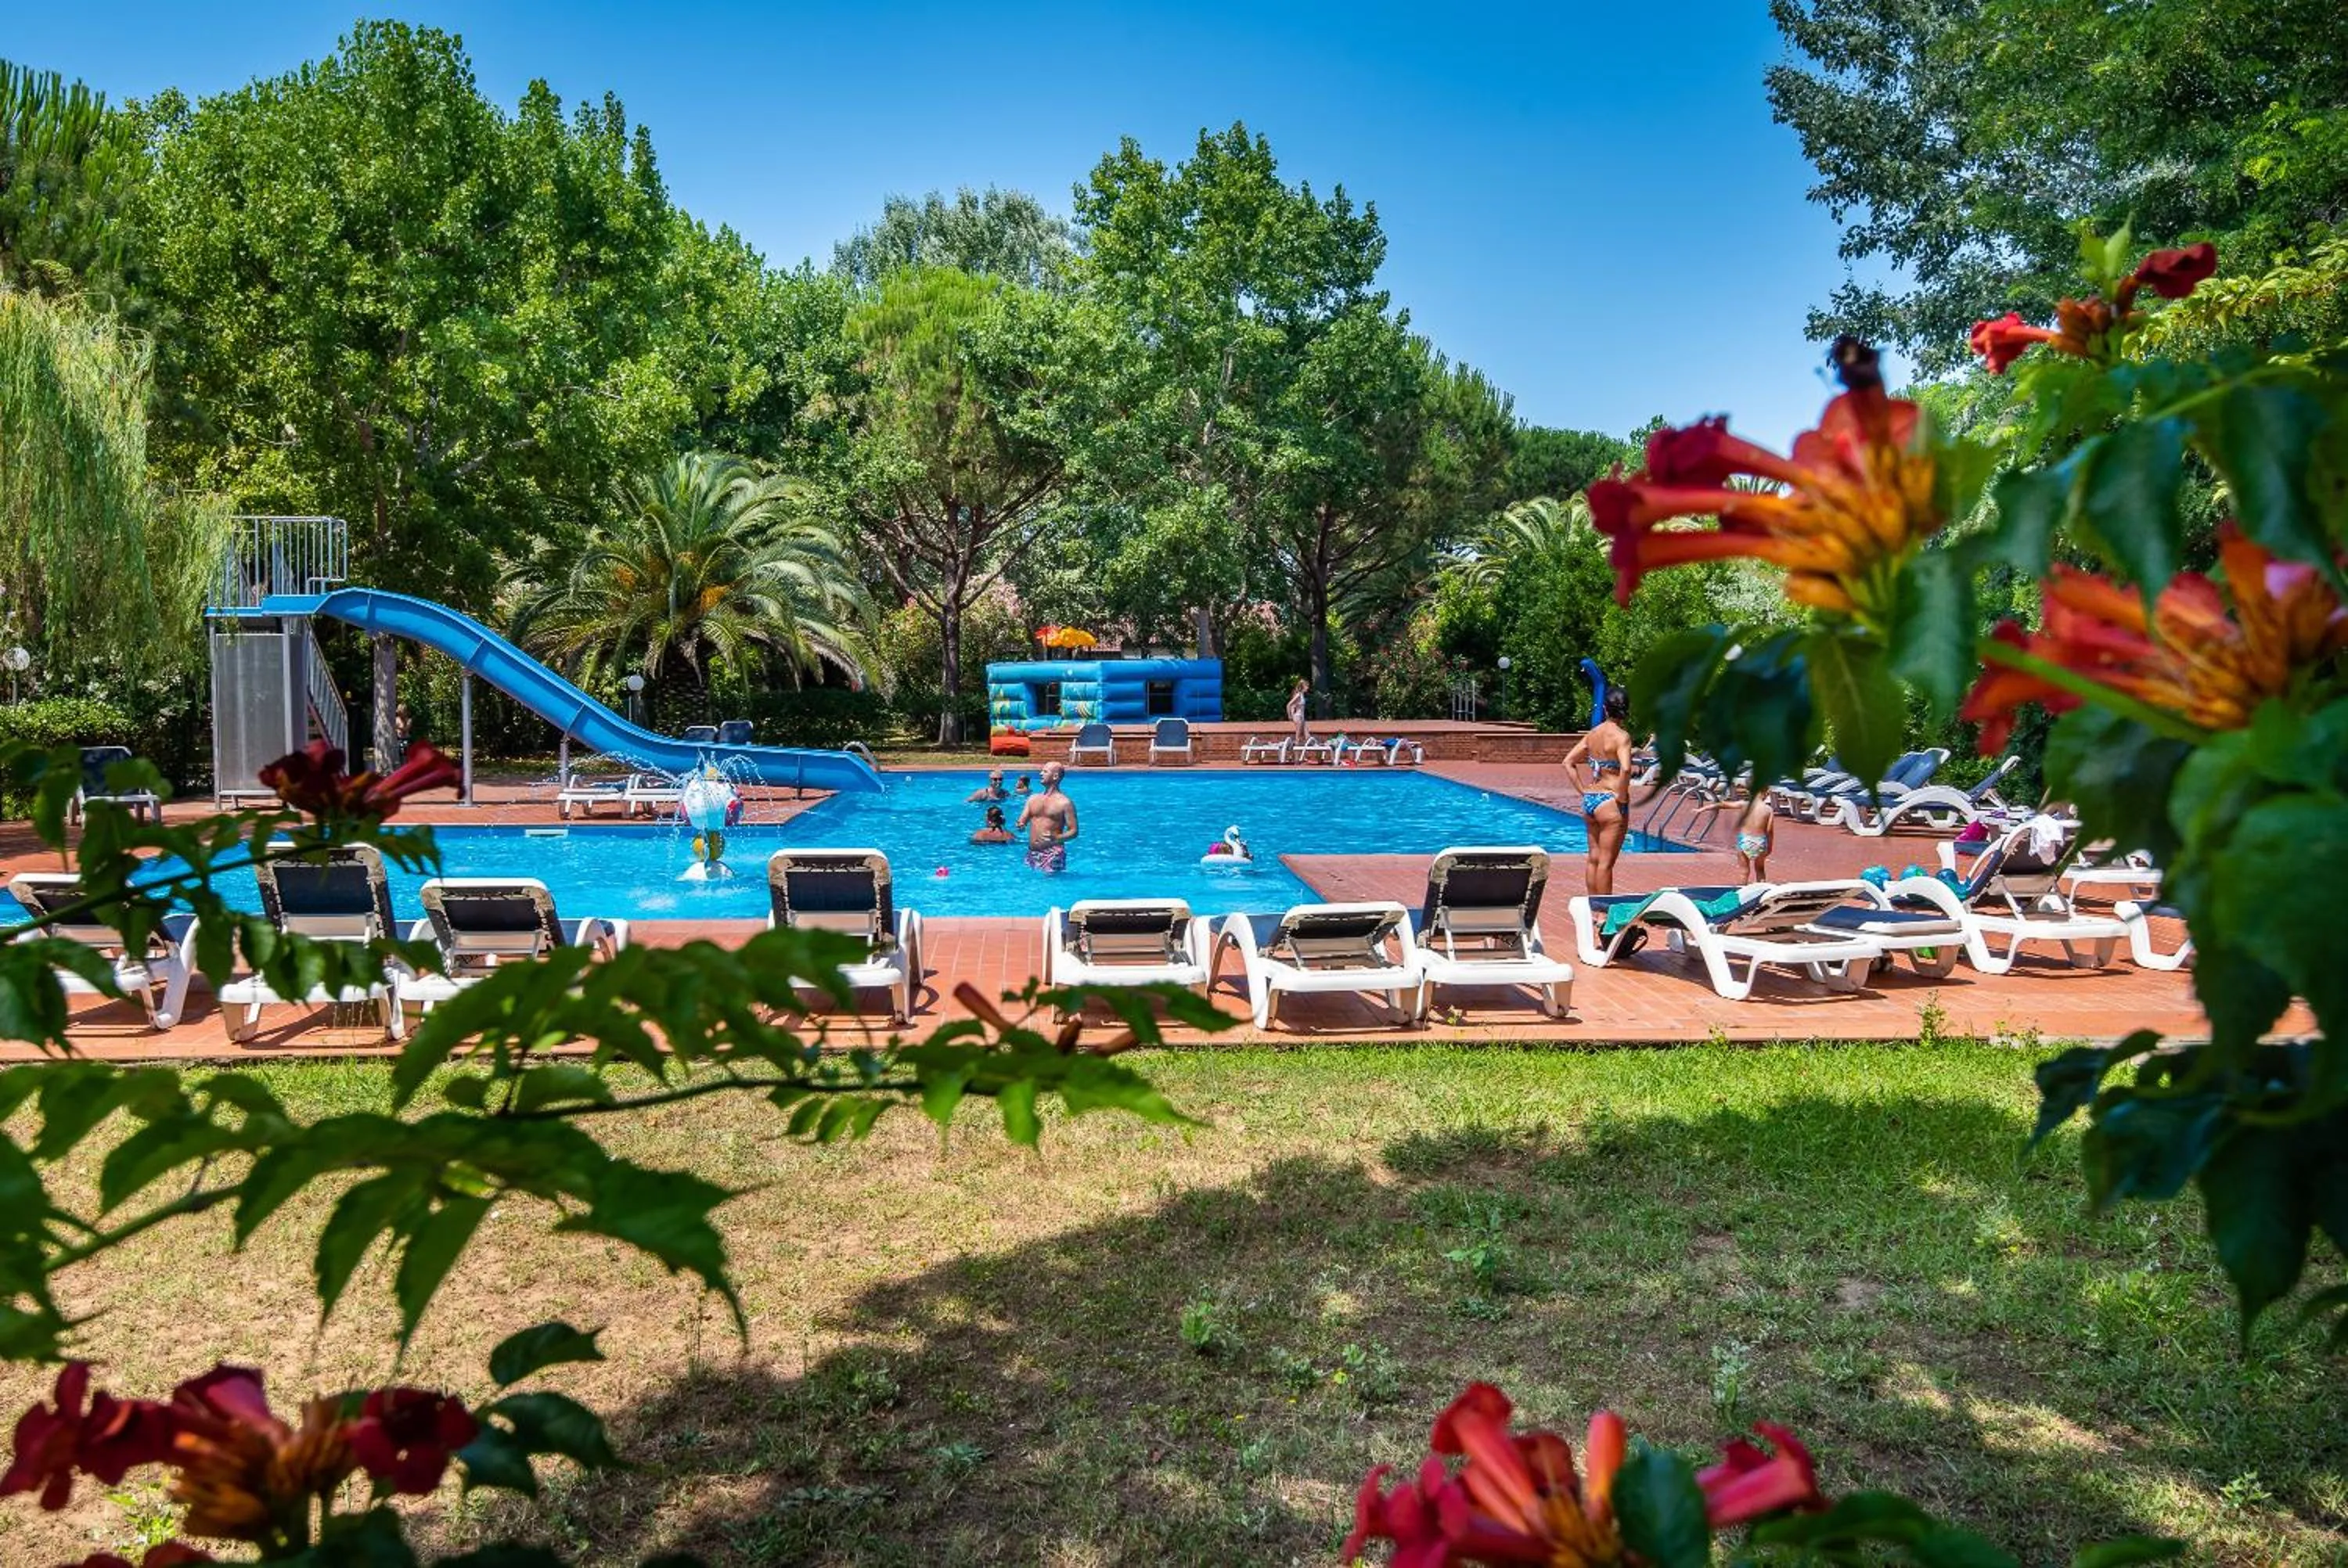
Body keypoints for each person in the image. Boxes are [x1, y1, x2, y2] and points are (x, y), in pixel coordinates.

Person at [1559, 686, 1634, 894]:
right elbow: (1626, 768)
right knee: (1606, 863)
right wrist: (1621, 796)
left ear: (1604, 708)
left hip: (1591, 800)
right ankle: (1604, 914)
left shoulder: (1592, 734)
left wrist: (1583, 790)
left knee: (1593, 858)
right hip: (1611, 802)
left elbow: (1568, 762)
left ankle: (1592, 908)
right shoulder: (1622, 737)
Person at [1694, 789, 1774, 883]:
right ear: (1765, 794)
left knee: (1744, 871)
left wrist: (1703, 809)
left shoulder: (1744, 805)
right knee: (1760, 869)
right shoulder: (1768, 810)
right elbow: (1769, 831)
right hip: (1760, 841)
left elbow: (1723, 805)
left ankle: (1741, 891)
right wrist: (1769, 846)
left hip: (1745, 840)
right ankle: (1761, 890)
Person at [1015, 761, 1080, 873]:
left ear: (1055, 776)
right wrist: (1020, 825)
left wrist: (1057, 838)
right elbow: (1022, 821)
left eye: (1045, 771)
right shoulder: (1033, 799)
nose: (1041, 774)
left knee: (1051, 885)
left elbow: (1074, 831)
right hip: (1032, 853)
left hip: (1053, 852)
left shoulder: (1065, 803)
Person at [1287, 678, 1312, 751]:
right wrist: (1290, 716)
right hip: (1298, 717)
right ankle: (1296, 759)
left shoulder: (1302, 695)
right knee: (1298, 738)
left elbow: (1295, 705)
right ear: (1302, 686)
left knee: (1308, 737)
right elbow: (1289, 705)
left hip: (1302, 717)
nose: (1308, 688)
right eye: (1307, 686)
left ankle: (1303, 755)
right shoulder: (1298, 695)